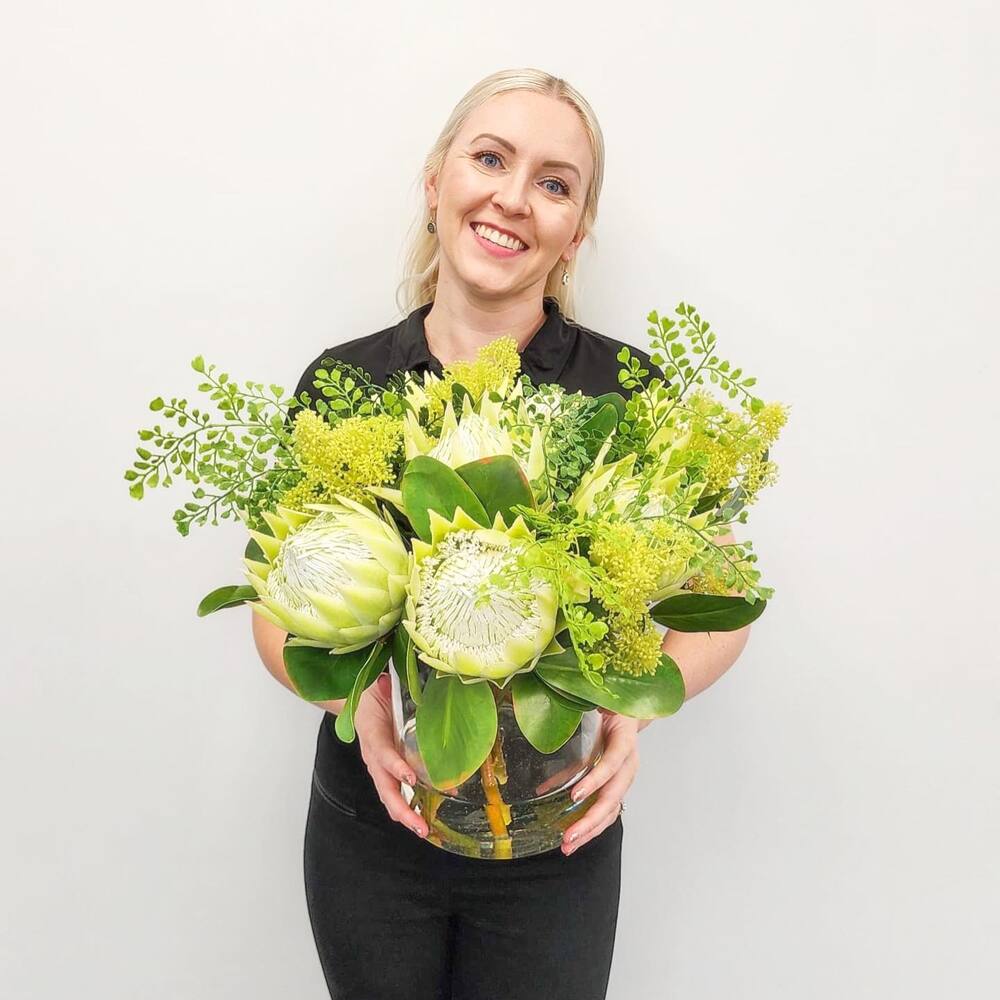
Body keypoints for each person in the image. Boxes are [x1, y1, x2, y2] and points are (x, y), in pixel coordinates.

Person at [251, 68, 750, 1000]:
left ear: (576, 230)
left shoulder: (626, 394)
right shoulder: (342, 386)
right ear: (436, 179)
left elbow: (720, 607)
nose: (514, 198)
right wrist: (350, 709)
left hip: (553, 841)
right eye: (491, 159)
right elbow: (276, 614)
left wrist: (635, 708)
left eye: (555, 183)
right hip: (371, 834)